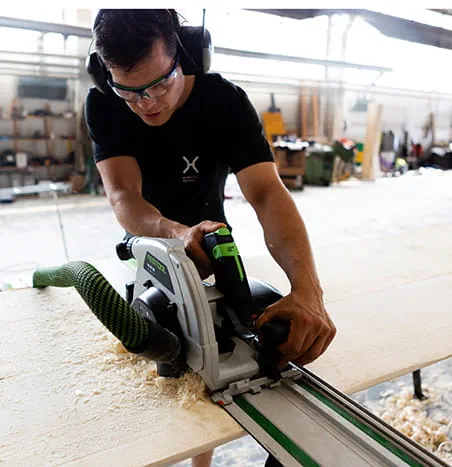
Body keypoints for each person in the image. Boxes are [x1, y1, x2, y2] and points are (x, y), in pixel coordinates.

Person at [85, 9, 336, 467]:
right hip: (151, 246)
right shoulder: (102, 103)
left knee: (216, 366)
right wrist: (176, 233)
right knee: (167, 374)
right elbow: (124, 196)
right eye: (130, 91)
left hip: (213, 236)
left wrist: (308, 289)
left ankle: (202, 462)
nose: (147, 103)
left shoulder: (224, 101)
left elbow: (265, 192)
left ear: (184, 55)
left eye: (159, 84)